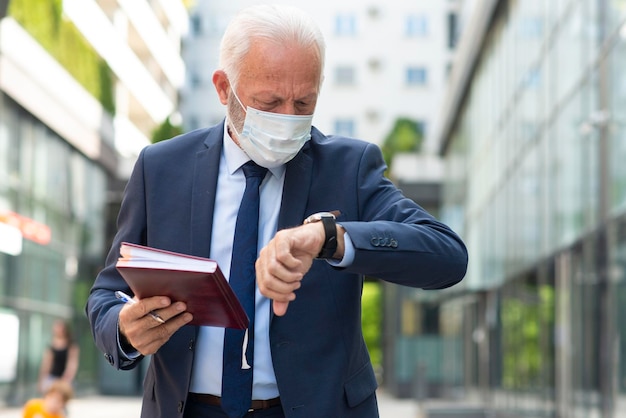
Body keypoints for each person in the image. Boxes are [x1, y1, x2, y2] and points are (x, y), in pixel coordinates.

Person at [85, 4, 468, 418]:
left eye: (304, 103)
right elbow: (108, 291)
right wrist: (124, 329)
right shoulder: (161, 168)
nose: (288, 119)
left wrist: (331, 238)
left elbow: (447, 255)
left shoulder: (347, 168)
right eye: (269, 101)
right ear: (222, 88)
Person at [37, 320, 80, 394]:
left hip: (65, 379)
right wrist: (42, 379)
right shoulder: (51, 345)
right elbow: (46, 364)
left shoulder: (71, 345)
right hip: (51, 378)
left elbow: (72, 364)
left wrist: (66, 379)